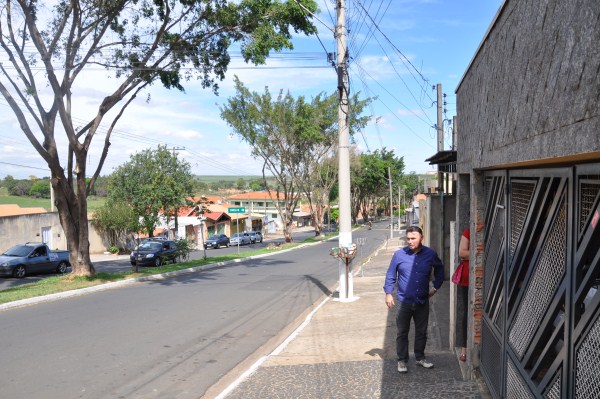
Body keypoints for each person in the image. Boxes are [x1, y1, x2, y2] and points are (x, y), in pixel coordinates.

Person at [384, 226, 445, 374]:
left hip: (422, 301)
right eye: (408, 239)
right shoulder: (399, 255)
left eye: (413, 238)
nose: (410, 241)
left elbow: (440, 270)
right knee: (402, 332)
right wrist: (388, 293)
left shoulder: (430, 254)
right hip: (404, 301)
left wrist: (435, 287)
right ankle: (402, 360)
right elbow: (391, 274)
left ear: (421, 238)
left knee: (422, 332)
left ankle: (420, 358)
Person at [456, 228, 470, 362]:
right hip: (468, 280)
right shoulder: (468, 232)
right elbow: (462, 253)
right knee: (467, 313)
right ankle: (464, 348)